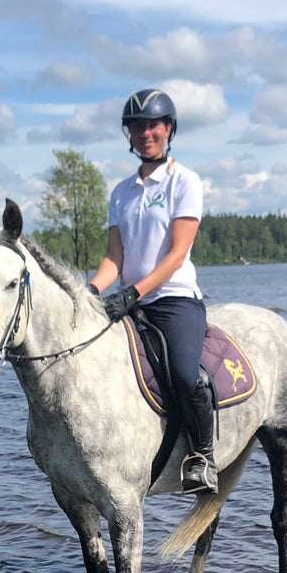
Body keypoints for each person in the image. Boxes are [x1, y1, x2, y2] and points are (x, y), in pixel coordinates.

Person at [88, 88, 218, 494]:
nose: (147, 133)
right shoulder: (121, 193)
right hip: (132, 303)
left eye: (154, 125)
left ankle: (202, 456)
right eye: (138, 126)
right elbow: (115, 258)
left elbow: (177, 254)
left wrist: (134, 293)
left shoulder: (185, 181)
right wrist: (89, 292)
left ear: (169, 130)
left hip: (174, 299)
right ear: (129, 135)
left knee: (183, 374)